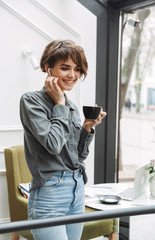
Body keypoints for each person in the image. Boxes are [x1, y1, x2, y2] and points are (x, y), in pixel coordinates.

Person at [20, 39, 107, 240]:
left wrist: (87, 129)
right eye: (65, 68)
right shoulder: (31, 101)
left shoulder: (72, 107)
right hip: (50, 193)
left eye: (77, 69)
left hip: (77, 189)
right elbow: (53, 145)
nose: (72, 75)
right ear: (48, 68)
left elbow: (77, 157)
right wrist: (59, 104)